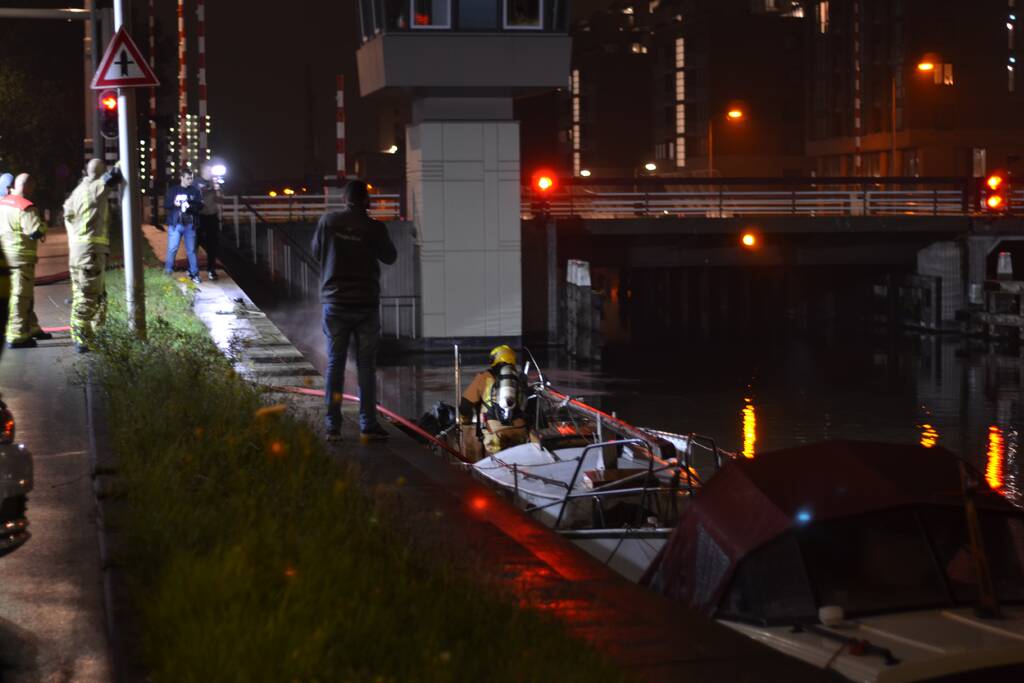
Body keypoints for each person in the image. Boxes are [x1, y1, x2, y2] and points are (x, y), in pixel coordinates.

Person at [311, 179, 396, 442]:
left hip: (335, 303)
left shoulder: (328, 222)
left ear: (343, 199)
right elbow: (390, 257)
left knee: (335, 364)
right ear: (367, 201)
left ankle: (332, 426)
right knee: (366, 366)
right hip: (366, 305)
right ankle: (367, 423)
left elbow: (317, 253)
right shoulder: (375, 228)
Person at [63, 159, 123, 353]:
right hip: (91, 251)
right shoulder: (96, 188)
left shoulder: (76, 192)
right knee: (89, 296)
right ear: (100, 172)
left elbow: (67, 215)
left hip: (77, 251)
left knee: (84, 293)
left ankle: (85, 333)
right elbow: (115, 174)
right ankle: (82, 337)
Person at [0, 173, 50, 349]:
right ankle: (17, 336)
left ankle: (31, 327)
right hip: (20, 259)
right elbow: (35, 231)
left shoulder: (2, 203)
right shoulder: (25, 206)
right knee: (21, 296)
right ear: (28, 187)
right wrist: (44, 225)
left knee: (22, 295)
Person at [459, 345, 529, 455]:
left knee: (496, 461)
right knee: (518, 458)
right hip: (519, 428)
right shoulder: (520, 378)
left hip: (494, 430)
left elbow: (465, 405)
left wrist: (464, 419)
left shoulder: (484, 377)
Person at [164, 170, 203, 284]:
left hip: (189, 224)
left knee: (191, 250)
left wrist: (190, 205)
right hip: (175, 224)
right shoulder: (173, 190)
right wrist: (175, 203)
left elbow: (200, 205)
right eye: (188, 178)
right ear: (181, 178)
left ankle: (194, 273)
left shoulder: (194, 191)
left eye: (191, 178)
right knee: (172, 248)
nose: (190, 180)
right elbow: (166, 204)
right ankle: (168, 272)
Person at [195, 163, 222, 280]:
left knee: (213, 244)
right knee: (195, 243)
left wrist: (218, 190)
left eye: (211, 170)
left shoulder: (215, 182)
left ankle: (211, 269)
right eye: (208, 170)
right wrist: (207, 189)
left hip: (212, 215)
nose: (210, 172)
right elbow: (196, 195)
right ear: (203, 170)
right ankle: (193, 270)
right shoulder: (196, 181)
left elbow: (220, 199)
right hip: (199, 216)